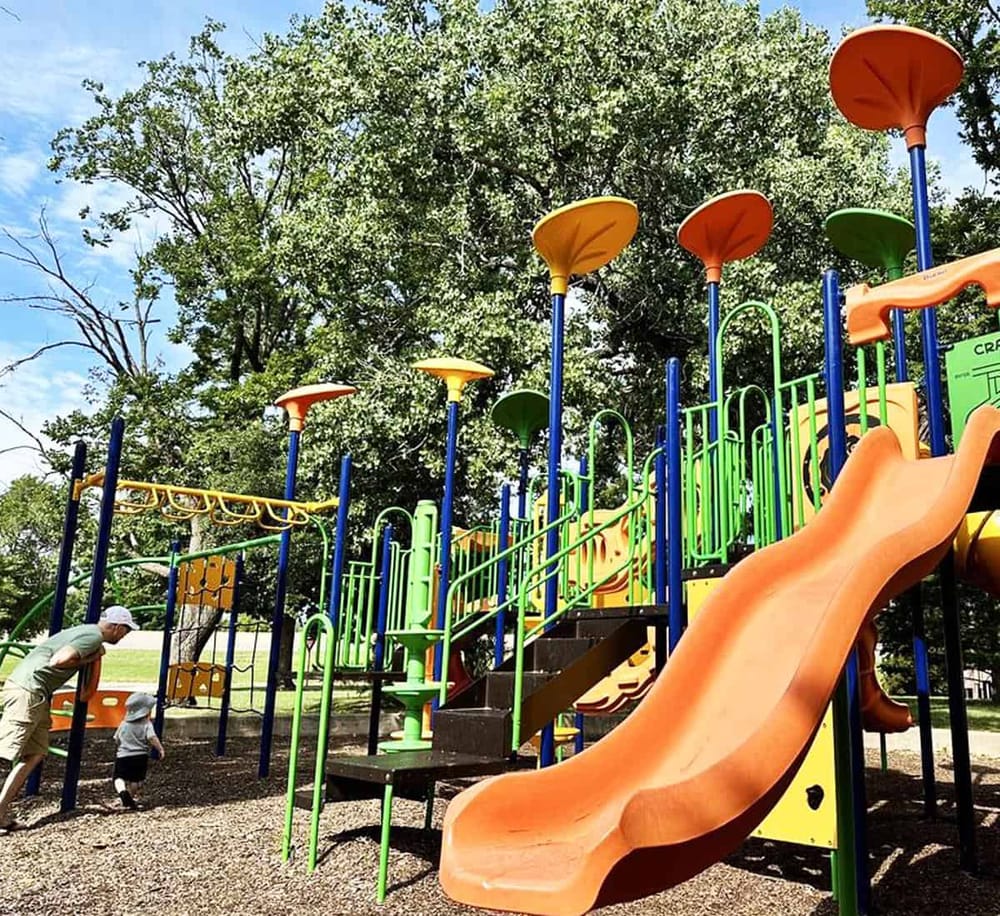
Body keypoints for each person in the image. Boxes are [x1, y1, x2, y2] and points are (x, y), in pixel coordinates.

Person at [0, 605, 140, 833]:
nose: (125, 636)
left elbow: (86, 693)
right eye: (126, 630)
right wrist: (92, 656)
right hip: (28, 691)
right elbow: (59, 660)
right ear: (116, 627)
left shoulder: (89, 635)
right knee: (6, 753)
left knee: (34, 754)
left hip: (37, 695)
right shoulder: (93, 637)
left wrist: (95, 659)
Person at [112, 693, 164, 810]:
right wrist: (160, 748)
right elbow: (152, 738)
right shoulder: (147, 724)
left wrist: (121, 747)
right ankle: (130, 797)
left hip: (123, 756)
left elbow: (117, 739)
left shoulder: (124, 724)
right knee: (135, 780)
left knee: (118, 778)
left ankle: (122, 793)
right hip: (140, 757)